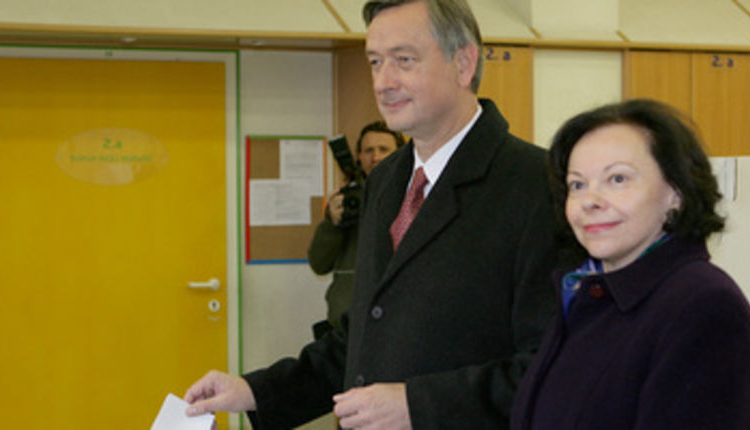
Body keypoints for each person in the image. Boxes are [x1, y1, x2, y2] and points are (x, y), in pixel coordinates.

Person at [183, 0, 559, 429]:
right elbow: (363, 335)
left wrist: (417, 405)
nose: (384, 82)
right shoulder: (386, 181)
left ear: (464, 63)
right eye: (376, 62)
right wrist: (255, 390)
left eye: (404, 60)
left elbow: (552, 367)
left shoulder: (538, 185)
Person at [510, 99, 750, 429]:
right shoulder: (582, 293)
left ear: (676, 193)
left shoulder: (704, 307)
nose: (590, 201)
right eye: (577, 184)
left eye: (617, 179)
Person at [307, 121, 404, 339]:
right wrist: (332, 223)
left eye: (384, 149)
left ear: (400, 153)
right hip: (347, 328)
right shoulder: (348, 201)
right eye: (369, 150)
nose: (375, 157)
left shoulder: (412, 198)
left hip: (396, 324)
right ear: (359, 156)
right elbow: (319, 265)